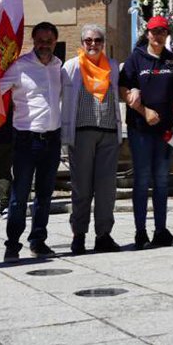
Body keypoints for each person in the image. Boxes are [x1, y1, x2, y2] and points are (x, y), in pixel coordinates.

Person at [120, 15, 173, 249]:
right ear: (147, 33)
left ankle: (161, 230)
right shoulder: (136, 58)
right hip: (140, 130)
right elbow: (124, 90)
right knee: (141, 180)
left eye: (162, 32)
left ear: (166, 34)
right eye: (154, 32)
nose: (158, 36)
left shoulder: (172, 61)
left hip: (165, 132)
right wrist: (143, 109)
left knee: (161, 181)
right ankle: (141, 233)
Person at [0, 22, 63, 261]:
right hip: (26, 139)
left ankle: (38, 241)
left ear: (55, 42)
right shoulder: (19, 67)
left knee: (45, 194)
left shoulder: (59, 67)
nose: (44, 44)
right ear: (33, 41)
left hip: (52, 138)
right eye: (40, 40)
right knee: (20, 194)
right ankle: (12, 244)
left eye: (49, 40)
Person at [61, 23, 122, 255]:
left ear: (103, 43)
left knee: (106, 189)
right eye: (89, 41)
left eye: (97, 40)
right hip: (82, 132)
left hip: (108, 132)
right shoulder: (71, 67)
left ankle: (104, 234)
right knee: (81, 187)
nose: (93, 44)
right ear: (82, 43)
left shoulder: (113, 67)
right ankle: (79, 235)